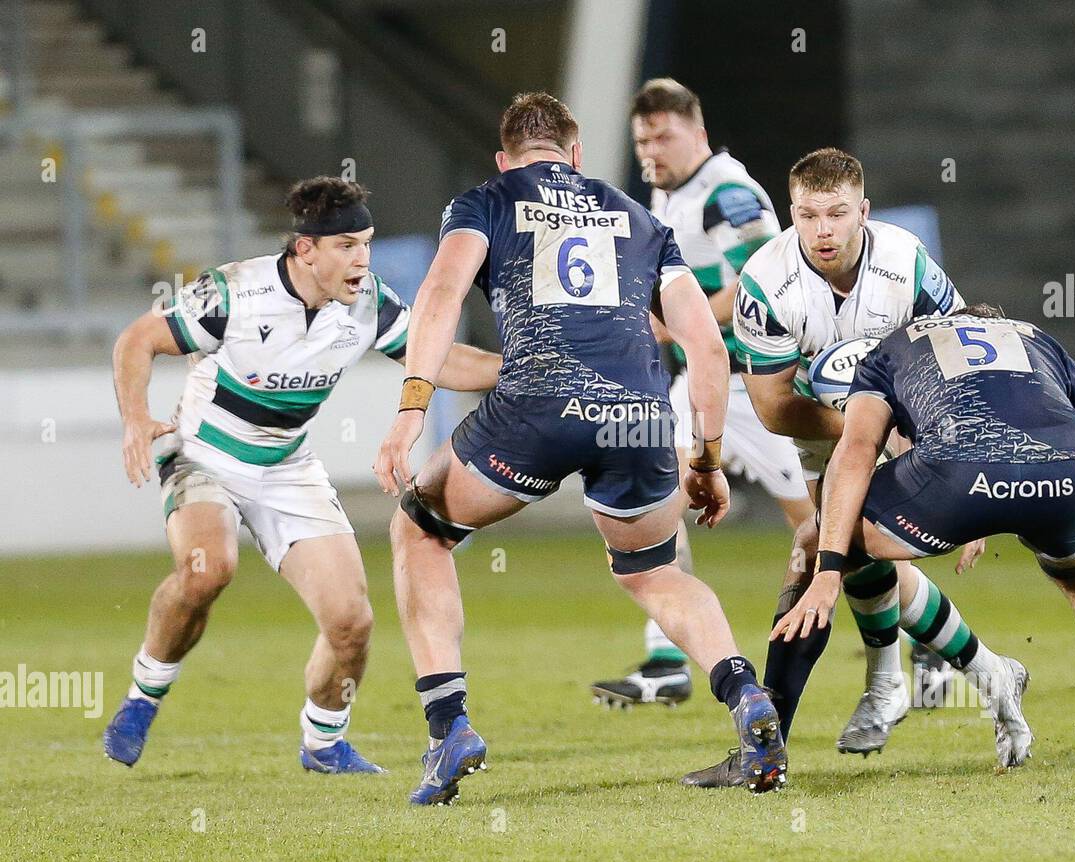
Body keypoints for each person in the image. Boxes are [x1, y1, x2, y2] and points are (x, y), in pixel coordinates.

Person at [372, 92, 787, 805]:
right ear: (578, 156)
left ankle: (449, 727)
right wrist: (708, 461)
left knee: (419, 528)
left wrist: (411, 413)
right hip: (639, 412)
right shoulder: (642, 216)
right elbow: (708, 349)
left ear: (505, 159)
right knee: (654, 573)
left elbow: (439, 297)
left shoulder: (487, 198)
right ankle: (746, 693)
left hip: (536, 405)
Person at [105, 176, 500, 773]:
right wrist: (136, 417)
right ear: (306, 250)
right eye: (346, 245)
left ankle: (322, 743)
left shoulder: (368, 303)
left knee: (351, 622)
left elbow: (440, 359)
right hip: (202, 452)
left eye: (366, 243)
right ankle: (144, 695)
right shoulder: (236, 292)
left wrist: (527, 368)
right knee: (209, 568)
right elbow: (137, 340)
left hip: (286, 464)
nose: (362, 259)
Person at [775, 305, 1075, 779]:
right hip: (1064, 476)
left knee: (819, 533)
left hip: (957, 479)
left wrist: (829, 569)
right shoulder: (1039, 342)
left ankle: (767, 747)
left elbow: (856, 450)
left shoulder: (889, 349)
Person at [682, 148, 989, 788]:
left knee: (814, 551)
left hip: (911, 424)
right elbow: (771, 408)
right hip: (820, 431)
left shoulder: (907, 264)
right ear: (791, 213)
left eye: (837, 213)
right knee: (855, 557)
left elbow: (960, 372)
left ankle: (769, 748)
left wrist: (960, 471)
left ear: (863, 212)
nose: (822, 230)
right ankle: (967, 673)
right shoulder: (766, 282)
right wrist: (857, 430)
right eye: (807, 215)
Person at [588, 77, 812, 708]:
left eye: (663, 136)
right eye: (641, 140)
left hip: (762, 386)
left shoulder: (729, 194)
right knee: (659, 501)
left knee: (835, 532)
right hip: (709, 383)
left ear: (699, 132)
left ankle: (943, 654)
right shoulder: (667, 194)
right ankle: (667, 660)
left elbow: (762, 287)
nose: (650, 151)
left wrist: (665, 323)